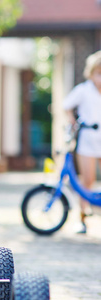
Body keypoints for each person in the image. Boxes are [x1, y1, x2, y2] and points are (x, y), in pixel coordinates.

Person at [63, 50, 101, 234]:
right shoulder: (84, 90)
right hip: (88, 139)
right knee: (88, 179)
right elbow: (66, 105)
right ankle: (83, 218)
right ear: (92, 73)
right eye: (99, 73)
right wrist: (72, 120)